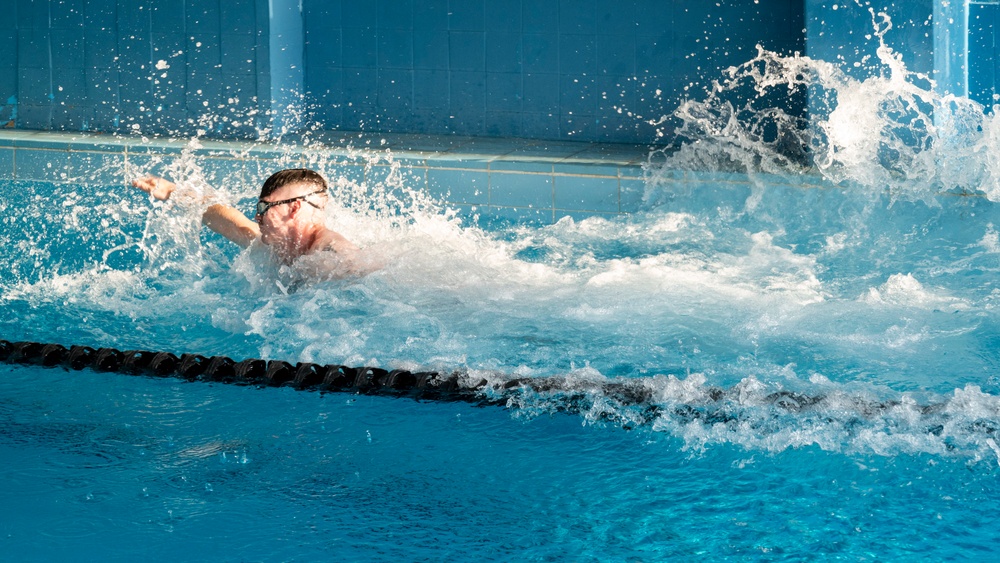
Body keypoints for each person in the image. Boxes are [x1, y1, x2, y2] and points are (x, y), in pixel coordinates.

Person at [132, 168, 362, 272]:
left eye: (265, 206)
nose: (257, 216)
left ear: (294, 208)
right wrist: (173, 191)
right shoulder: (274, 246)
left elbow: (368, 272)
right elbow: (230, 220)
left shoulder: (332, 252)